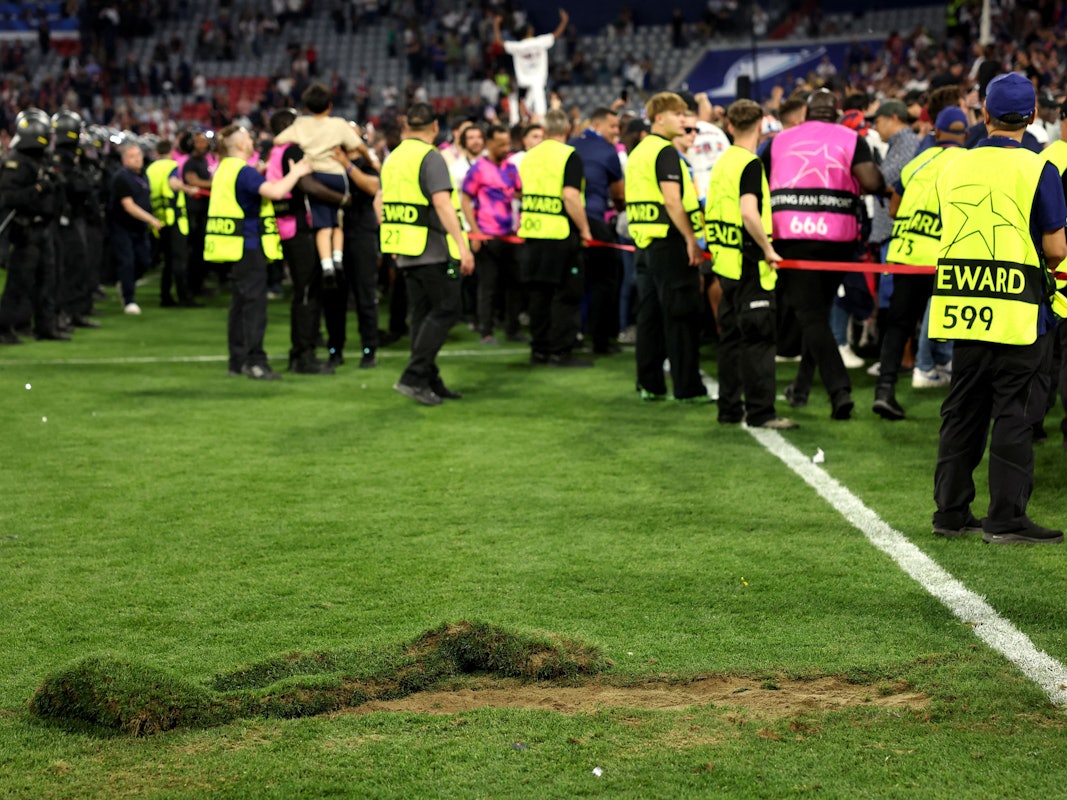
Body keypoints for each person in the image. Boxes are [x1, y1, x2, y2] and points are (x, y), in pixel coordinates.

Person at [929, 73, 1066, 545]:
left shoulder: (952, 166)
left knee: (962, 410)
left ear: (984, 114)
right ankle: (1006, 518)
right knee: (1016, 412)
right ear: (1032, 117)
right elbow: (1056, 248)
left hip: (962, 306)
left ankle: (950, 512)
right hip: (1018, 310)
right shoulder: (1038, 167)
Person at [763, 89, 884, 419]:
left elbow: (758, 179)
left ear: (806, 113)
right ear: (837, 112)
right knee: (817, 311)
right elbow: (871, 181)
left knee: (811, 315)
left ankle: (839, 390)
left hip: (791, 234)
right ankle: (801, 387)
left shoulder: (779, 140)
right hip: (838, 237)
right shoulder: (850, 138)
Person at [872, 107, 968, 421]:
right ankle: (962, 400)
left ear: (936, 133)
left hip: (906, 253)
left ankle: (884, 390)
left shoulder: (917, 162)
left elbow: (894, 209)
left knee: (899, 325)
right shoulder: (968, 162)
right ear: (966, 135)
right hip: (945, 256)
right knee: (961, 327)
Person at [707, 99, 795, 429]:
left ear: (730, 125)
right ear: (760, 125)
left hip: (725, 264)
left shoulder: (722, 163)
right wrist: (768, 248)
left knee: (730, 340)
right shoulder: (749, 164)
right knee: (758, 340)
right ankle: (761, 412)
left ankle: (729, 408)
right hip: (749, 265)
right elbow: (748, 212)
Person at [379, 102, 474, 405]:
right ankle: (414, 376)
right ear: (435, 127)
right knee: (447, 308)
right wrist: (462, 247)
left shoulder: (393, 158)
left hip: (405, 246)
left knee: (422, 315)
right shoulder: (430, 157)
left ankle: (429, 380)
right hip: (432, 247)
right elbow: (443, 204)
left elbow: (380, 202)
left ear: (407, 126)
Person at [205, 124, 312, 380]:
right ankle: (255, 361)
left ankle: (237, 360)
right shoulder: (244, 172)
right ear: (241, 145)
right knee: (254, 306)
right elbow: (275, 192)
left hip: (231, 245)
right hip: (248, 246)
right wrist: (296, 172)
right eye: (248, 138)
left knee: (239, 305)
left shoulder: (224, 169)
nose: (252, 140)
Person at [626, 92, 706, 401]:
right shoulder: (665, 151)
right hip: (669, 242)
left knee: (649, 317)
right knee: (681, 316)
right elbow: (672, 200)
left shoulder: (639, 152)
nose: (684, 121)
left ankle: (650, 384)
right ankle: (688, 388)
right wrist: (690, 238)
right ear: (659, 118)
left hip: (644, 243)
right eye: (678, 114)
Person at [266, 109, 350, 374]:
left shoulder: (275, 152)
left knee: (306, 291)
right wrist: (341, 199)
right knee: (307, 292)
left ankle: (304, 350)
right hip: (299, 229)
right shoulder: (292, 150)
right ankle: (303, 355)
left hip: (287, 226)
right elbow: (307, 185)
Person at [516, 108, 593, 367]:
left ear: (545, 130)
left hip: (532, 232)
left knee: (538, 296)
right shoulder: (569, 156)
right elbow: (570, 196)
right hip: (560, 234)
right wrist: (584, 229)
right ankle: (561, 351)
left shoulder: (529, 157)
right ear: (568, 129)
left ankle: (539, 350)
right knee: (566, 296)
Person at [272, 83, 362, 289]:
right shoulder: (337, 124)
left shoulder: (300, 127)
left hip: (316, 176)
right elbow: (358, 144)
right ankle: (338, 258)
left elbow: (278, 140)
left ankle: (327, 265)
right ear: (330, 105)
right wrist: (371, 160)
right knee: (337, 223)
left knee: (323, 226)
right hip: (337, 176)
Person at [0, 108, 64, 343]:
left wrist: (55, 183)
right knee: (20, 281)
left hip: (43, 228)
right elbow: (8, 198)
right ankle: (4, 327)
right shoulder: (16, 162)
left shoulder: (40, 160)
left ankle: (45, 327)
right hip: (25, 230)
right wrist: (37, 189)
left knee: (47, 279)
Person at [568, 106, 625, 354]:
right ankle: (600, 340)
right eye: (612, 126)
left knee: (574, 279)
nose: (616, 131)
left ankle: (573, 334)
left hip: (568, 222)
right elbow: (619, 193)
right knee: (605, 280)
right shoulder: (608, 151)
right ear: (597, 124)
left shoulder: (571, 145)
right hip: (593, 220)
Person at [461, 123, 524, 346]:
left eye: (507, 143)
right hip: (487, 236)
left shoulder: (511, 168)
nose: (506, 148)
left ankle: (512, 328)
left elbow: (520, 192)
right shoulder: (478, 169)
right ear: (489, 144)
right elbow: (465, 199)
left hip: (510, 235)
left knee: (515, 284)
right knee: (488, 286)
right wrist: (476, 232)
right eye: (500, 144)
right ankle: (486, 331)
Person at [328, 123, 383, 369]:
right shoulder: (328, 162)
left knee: (365, 294)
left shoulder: (366, 164)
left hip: (361, 232)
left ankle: (369, 349)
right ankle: (335, 349)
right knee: (334, 295)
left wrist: (347, 165)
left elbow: (372, 186)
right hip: (334, 233)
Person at [51, 109, 99, 330]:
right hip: (65, 218)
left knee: (80, 264)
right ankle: (63, 311)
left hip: (77, 216)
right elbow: (72, 186)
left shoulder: (74, 155)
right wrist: (86, 182)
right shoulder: (61, 157)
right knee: (68, 266)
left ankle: (76, 310)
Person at [111, 141, 164, 315]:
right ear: (124, 159)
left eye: (139, 155)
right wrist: (151, 219)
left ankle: (127, 283)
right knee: (127, 262)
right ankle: (129, 300)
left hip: (139, 227)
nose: (137, 159)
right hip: (123, 226)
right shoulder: (121, 178)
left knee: (144, 261)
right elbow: (129, 206)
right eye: (132, 156)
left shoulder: (144, 176)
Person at [145, 138, 196, 308]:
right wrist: (189, 189)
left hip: (158, 217)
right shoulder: (171, 166)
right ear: (171, 152)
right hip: (174, 218)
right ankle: (183, 296)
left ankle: (165, 296)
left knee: (167, 260)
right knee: (179, 259)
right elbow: (173, 184)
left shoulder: (151, 168)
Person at [493, 9, 569, 120]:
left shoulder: (518, 46)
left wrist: (496, 25)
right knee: (537, 110)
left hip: (525, 82)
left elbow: (499, 42)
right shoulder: (539, 42)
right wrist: (564, 21)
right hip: (538, 80)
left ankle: (526, 119)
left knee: (525, 112)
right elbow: (556, 34)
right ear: (530, 31)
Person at [182, 129, 213, 296]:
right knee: (194, 250)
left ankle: (199, 284)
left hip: (203, 211)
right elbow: (192, 181)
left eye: (204, 142)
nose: (202, 145)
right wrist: (214, 183)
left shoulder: (204, 161)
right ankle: (191, 286)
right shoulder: (191, 162)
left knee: (201, 249)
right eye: (199, 142)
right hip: (193, 211)